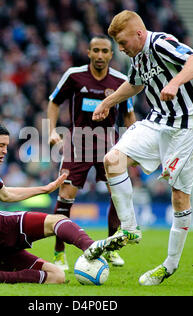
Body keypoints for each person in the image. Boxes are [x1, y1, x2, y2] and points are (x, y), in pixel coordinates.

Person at [0, 121, 129, 284]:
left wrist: (44, 189)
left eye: (6, 146)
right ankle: (92, 246)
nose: (5, 151)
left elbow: (6, 195)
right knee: (56, 221)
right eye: (1, 145)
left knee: (56, 276)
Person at [92, 10, 193, 285]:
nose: (120, 49)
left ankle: (169, 265)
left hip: (188, 127)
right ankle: (130, 230)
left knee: (179, 196)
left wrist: (175, 82)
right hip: (158, 121)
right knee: (113, 160)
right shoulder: (138, 56)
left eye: (122, 42)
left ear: (139, 34)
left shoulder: (160, 42)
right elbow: (134, 84)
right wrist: (107, 103)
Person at [47, 35, 137, 269]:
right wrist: (51, 131)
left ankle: (110, 249)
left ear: (111, 54)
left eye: (104, 51)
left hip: (110, 146)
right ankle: (59, 253)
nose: (99, 55)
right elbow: (54, 101)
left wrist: (133, 143)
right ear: (88, 52)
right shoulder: (74, 75)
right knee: (66, 196)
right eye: (95, 50)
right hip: (78, 144)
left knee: (118, 195)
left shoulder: (120, 80)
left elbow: (128, 114)